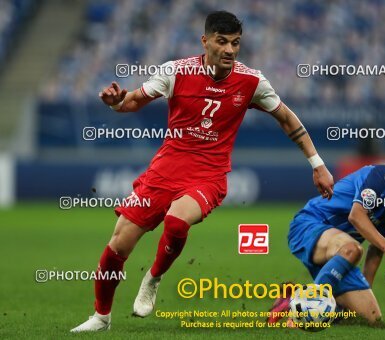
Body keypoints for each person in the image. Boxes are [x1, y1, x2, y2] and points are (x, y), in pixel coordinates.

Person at [71, 11, 334, 332]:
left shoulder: (252, 81)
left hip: (208, 176)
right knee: (118, 245)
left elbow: (288, 120)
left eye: (235, 43)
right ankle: (101, 317)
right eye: (222, 42)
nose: (229, 50)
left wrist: (317, 164)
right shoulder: (176, 71)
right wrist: (115, 102)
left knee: (178, 220)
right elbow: (132, 102)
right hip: (164, 171)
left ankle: (153, 278)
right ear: (205, 41)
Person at [268, 146, 385, 325]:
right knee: (352, 249)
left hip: (339, 253)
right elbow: (357, 216)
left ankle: (292, 297)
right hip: (310, 225)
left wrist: (364, 287)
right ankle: (301, 311)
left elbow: (376, 249)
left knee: (370, 318)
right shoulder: (381, 177)